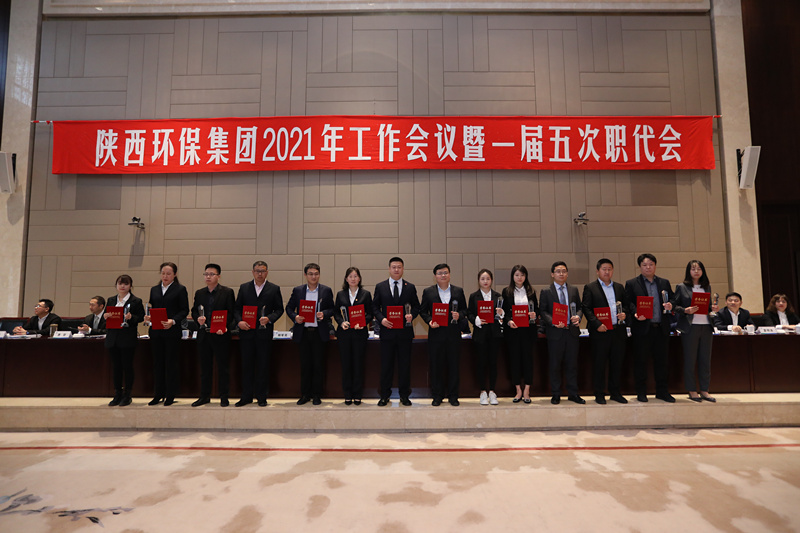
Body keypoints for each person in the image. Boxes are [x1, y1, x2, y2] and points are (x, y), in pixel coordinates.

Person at [625, 253, 676, 403]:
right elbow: (628, 303)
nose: (648, 267)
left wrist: (671, 304)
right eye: (644, 265)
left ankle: (662, 392)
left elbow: (673, 299)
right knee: (640, 362)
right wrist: (635, 312)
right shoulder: (632, 283)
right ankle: (641, 392)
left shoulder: (664, 282)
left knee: (662, 362)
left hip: (661, 328)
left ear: (655, 266)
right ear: (640, 267)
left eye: (651, 264)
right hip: (642, 329)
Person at [234, 261, 284, 407]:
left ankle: (262, 397)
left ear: (267, 272)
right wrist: (239, 321)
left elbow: (279, 309)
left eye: (262, 271)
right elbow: (236, 309)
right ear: (252, 272)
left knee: (263, 366)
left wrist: (269, 318)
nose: (260, 274)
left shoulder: (274, 289)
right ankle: (246, 396)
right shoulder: (244, 288)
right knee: (247, 366)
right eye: (257, 271)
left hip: (264, 334)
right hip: (246, 333)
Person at [372, 256, 420, 406]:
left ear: (403, 269)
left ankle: (404, 396)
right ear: (389, 269)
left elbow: (417, 306)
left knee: (404, 366)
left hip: (405, 333)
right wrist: (381, 319)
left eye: (399, 267)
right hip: (387, 332)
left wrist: (412, 316)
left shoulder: (410, 287)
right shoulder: (380, 286)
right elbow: (374, 307)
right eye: (394, 267)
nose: (396, 269)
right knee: (386, 365)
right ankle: (384, 396)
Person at [581, 258, 629, 404]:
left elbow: (627, 305)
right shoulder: (590, 287)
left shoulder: (619, 287)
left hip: (617, 331)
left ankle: (615, 392)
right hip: (600, 332)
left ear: (612, 271)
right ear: (597, 271)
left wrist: (624, 314)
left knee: (617, 363)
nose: (607, 272)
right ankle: (599, 393)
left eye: (609, 269)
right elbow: (586, 308)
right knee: (599, 364)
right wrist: (597, 324)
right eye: (604, 269)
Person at [419, 263, 468, 406]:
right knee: (436, 366)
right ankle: (437, 396)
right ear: (435, 276)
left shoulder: (458, 291)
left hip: (453, 334)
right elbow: (423, 311)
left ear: (450, 274)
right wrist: (429, 321)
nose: (443, 275)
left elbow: (465, 310)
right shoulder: (428, 292)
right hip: (436, 335)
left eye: (445, 272)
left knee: (454, 366)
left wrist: (459, 315)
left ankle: (453, 396)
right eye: (440, 273)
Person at [286, 263, 335, 406]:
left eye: (316, 274)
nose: (314, 276)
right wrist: (295, 317)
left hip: (319, 333)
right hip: (304, 333)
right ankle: (305, 394)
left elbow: (332, 309)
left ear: (319, 275)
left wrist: (324, 313)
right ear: (305, 275)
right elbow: (289, 308)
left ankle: (317, 395)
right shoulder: (298, 290)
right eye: (311, 274)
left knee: (318, 365)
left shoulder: (326, 290)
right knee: (305, 365)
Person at [144, 261, 189, 406]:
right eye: (163, 273)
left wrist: (173, 321)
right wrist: (148, 317)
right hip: (156, 332)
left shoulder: (180, 289)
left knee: (171, 363)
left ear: (174, 275)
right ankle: (158, 394)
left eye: (168, 273)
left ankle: (170, 394)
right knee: (157, 364)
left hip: (172, 331)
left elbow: (184, 310)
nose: (165, 276)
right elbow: (152, 307)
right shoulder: (154, 289)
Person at [190, 263, 235, 407]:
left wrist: (224, 326)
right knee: (205, 368)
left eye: (211, 274)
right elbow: (194, 311)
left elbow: (231, 313)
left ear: (218, 276)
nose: (208, 277)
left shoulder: (227, 292)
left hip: (221, 335)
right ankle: (204, 396)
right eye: (206, 274)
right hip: (204, 335)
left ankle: (224, 396)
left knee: (223, 368)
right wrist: (198, 319)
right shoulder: (199, 293)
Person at [674, 260, 719, 402]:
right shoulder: (682, 287)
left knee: (705, 360)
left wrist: (713, 309)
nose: (696, 271)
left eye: (699, 269)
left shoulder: (706, 287)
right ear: (689, 271)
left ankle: (704, 390)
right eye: (693, 269)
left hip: (706, 326)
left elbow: (708, 307)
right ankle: (692, 390)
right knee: (690, 360)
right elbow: (674, 306)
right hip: (690, 327)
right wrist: (685, 310)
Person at [540, 261, 585, 405]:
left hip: (571, 332)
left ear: (567, 273)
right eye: (558, 271)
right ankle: (556, 394)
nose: (561, 274)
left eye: (564, 271)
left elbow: (580, 307)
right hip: (555, 333)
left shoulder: (573, 289)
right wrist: (553, 322)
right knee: (555, 365)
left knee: (572, 365)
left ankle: (573, 393)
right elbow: (543, 311)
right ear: (552, 274)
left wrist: (578, 317)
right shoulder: (546, 291)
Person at [334, 267, 373, 405]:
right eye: (350, 276)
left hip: (359, 334)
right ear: (346, 279)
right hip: (344, 334)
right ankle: (347, 394)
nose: (353, 279)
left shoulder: (365, 294)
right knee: (346, 365)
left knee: (358, 364)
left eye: (355, 276)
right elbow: (336, 312)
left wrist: (363, 323)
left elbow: (370, 313)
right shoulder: (340, 294)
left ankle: (357, 394)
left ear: (359, 278)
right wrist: (341, 322)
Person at [104, 275, 144, 406]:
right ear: (116, 285)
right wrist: (105, 316)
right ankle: (117, 393)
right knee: (116, 367)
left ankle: (127, 394)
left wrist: (131, 317)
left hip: (127, 338)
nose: (122, 286)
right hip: (113, 338)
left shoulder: (136, 301)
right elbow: (107, 315)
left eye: (126, 284)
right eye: (120, 283)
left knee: (127, 366)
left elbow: (141, 317)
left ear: (130, 286)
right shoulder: (111, 300)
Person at [501, 265, 537, 404]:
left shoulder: (531, 292)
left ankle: (527, 390)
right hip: (513, 331)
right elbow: (504, 311)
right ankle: (518, 390)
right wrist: (509, 321)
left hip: (528, 331)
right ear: (512, 276)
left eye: (522, 275)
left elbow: (537, 309)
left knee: (528, 361)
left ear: (526, 276)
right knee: (514, 361)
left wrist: (534, 314)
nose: (519, 277)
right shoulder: (507, 292)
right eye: (517, 275)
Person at [467, 269, 503, 405]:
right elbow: (469, 313)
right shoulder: (473, 296)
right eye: (482, 279)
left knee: (493, 363)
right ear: (478, 281)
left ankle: (492, 391)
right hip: (480, 334)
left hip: (494, 334)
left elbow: (502, 316)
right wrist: (475, 320)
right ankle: (482, 391)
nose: (485, 281)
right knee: (481, 363)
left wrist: (501, 314)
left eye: (488, 279)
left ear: (491, 280)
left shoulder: (498, 296)